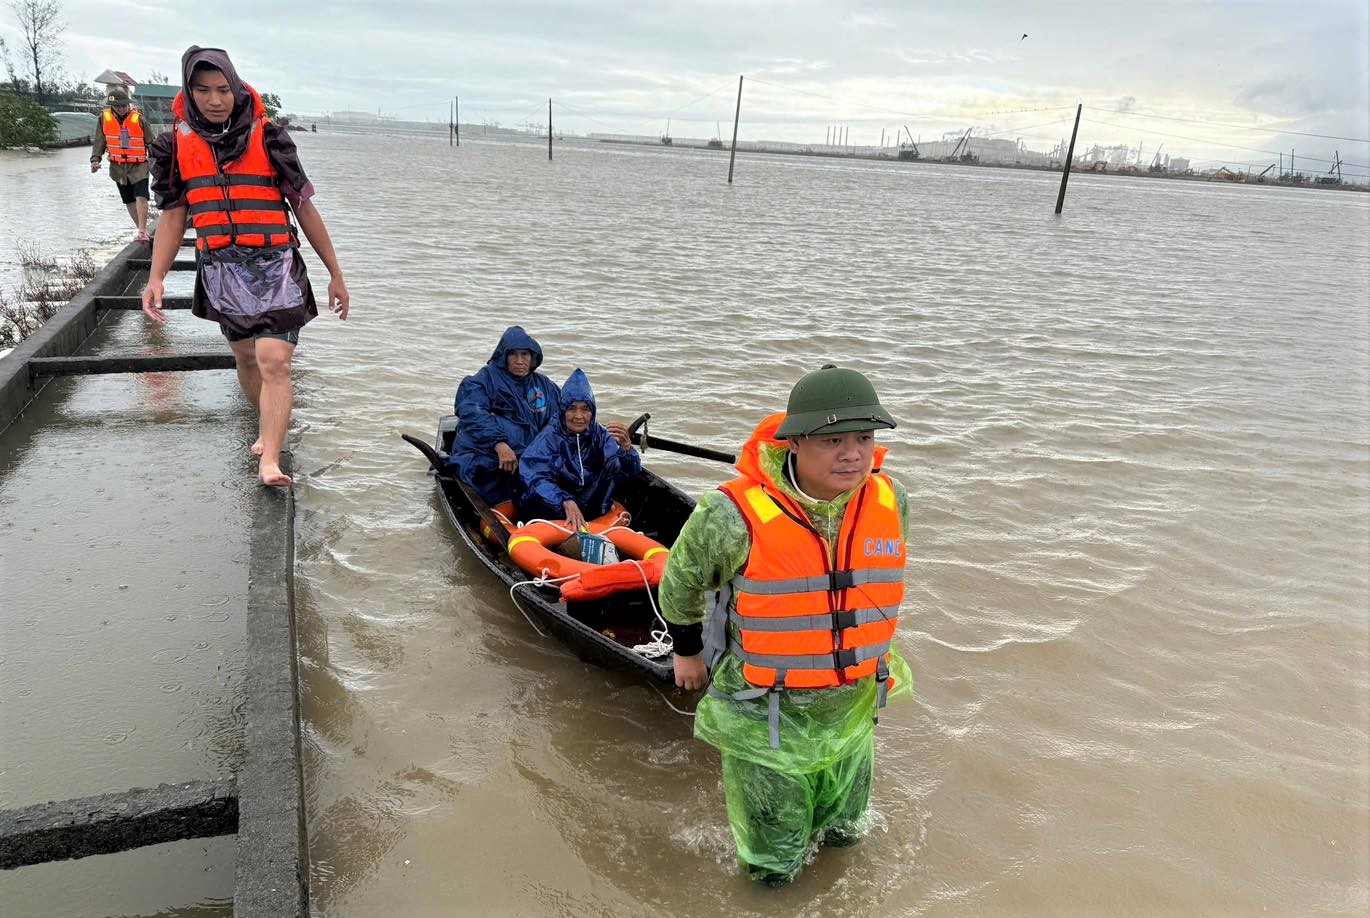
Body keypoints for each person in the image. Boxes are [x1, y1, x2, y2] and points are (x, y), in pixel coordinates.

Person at [659, 364, 913, 886]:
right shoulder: (730, 514)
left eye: (864, 437)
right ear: (794, 441)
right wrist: (687, 653)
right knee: (773, 865)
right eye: (834, 439)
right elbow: (681, 583)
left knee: (846, 835)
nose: (853, 454)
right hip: (767, 712)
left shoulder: (892, 500)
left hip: (854, 703)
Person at [141, 46, 349, 487]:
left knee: (275, 360)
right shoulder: (173, 147)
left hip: (276, 266)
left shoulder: (270, 138)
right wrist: (156, 276)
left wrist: (335, 273)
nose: (215, 100)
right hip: (221, 268)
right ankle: (265, 427)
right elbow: (174, 216)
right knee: (246, 359)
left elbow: (305, 208)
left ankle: (270, 458)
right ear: (189, 92)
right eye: (203, 91)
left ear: (237, 89)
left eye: (223, 90)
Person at [516, 368, 641, 529]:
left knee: (614, 465)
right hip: (553, 508)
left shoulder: (600, 434)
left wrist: (626, 450)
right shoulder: (548, 438)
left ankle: (597, 523)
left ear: (592, 411)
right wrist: (564, 500)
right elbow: (534, 475)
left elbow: (626, 476)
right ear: (563, 410)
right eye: (572, 408)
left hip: (589, 504)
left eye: (585, 409)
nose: (579, 416)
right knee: (535, 489)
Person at [449, 326, 560, 505]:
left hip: (529, 455)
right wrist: (498, 444)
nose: (519, 360)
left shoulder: (545, 385)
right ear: (503, 356)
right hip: (490, 453)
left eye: (524, 354)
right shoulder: (483, 380)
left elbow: (565, 416)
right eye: (513, 354)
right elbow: (471, 411)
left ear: (532, 357)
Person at [90, 84, 150, 241]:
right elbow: (99, 141)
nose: (122, 109)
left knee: (141, 196)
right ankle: (141, 230)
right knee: (129, 200)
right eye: (118, 106)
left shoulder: (139, 119)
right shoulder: (104, 119)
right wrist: (95, 160)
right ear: (112, 106)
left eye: (124, 105)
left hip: (139, 165)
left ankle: (143, 231)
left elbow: (151, 142)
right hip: (118, 167)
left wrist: (160, 162)